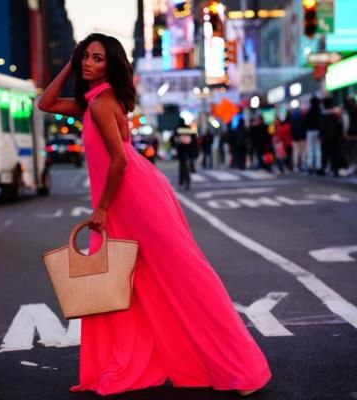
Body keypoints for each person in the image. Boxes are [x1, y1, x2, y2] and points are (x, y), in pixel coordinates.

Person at [38, 33, 271, 397]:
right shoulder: (93, 101)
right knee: (125, 287)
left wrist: (101, 208)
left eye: (97, 58)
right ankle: (120, 363)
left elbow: (119, 160)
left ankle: (243, 369)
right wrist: (69, 65)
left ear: (111, 65)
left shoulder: (101, 104)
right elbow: (45, 103)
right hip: (131, 196)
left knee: (184, 277)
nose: (88, 63)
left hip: (132, 198)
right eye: (85, 57)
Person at [320, 97, 343, 176]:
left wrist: (321, 136)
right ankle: (335, 169)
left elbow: (321, 127)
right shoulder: (335, 114)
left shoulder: (323, 115)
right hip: (334, 138)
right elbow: (339, 126)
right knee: (334, 154)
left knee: (325, 154)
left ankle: (324, 168)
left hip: (326, 138)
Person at [305, 96, 323, 174]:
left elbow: (306, 123)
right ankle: (318, 166)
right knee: (318, 149)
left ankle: (310, 166)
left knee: (310, 149)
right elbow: (321, 123)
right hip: (318, 131)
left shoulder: (309, 112)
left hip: (310, 132)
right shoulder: (319, 111)